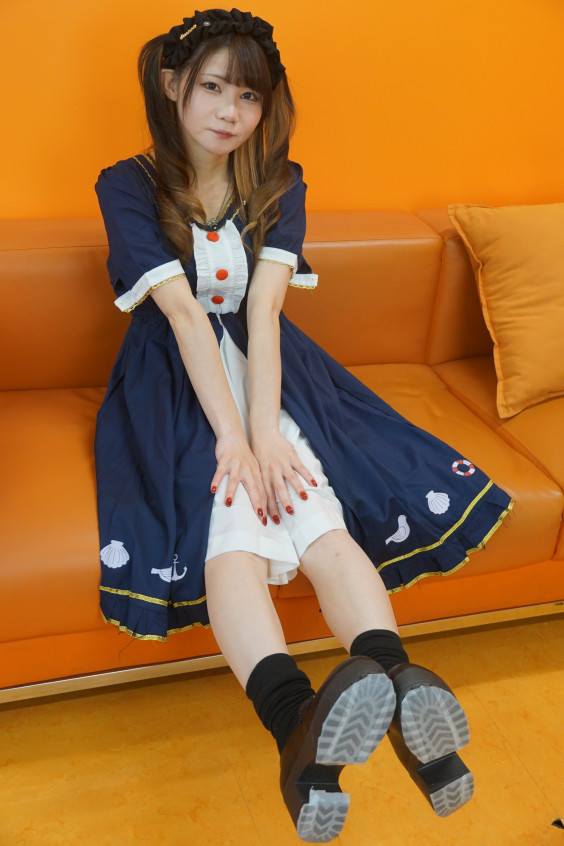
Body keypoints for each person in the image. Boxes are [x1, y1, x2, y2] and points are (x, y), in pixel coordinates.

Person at [94, 9, 513, 842]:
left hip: (272, 368)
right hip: (173, 381)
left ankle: (397, 689)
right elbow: (183, 317)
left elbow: (264, 311)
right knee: (232, 526)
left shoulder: (280, 181)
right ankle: (296, 722)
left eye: (250, 95)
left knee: (310, 508)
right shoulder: (126, 183)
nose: (231, 110)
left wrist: (268, 432)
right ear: (174, 85)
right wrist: (234, 440)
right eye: (214, 87)